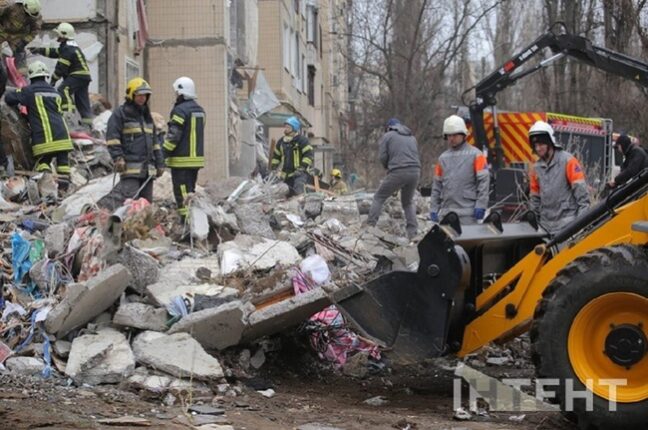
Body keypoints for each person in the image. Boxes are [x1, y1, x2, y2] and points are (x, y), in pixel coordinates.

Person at [97, 77, 164, 210]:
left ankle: (142, 230)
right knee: (130, 206)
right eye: (139, 95)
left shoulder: (147, 116)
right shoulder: (120, 114)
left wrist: (160, 163)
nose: (142, 98)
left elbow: (155, 142)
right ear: (131, 94)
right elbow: (113, 138)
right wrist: (118, 157)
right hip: (130, 170)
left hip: (147, 171)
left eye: (145, 95)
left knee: (146, 207)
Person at [5, 61, 73, 191]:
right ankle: (64, 190)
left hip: (45, 137)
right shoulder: (55, 92)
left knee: (43, 162)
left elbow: (9, 98)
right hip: (63, 136)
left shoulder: (30, 91)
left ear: (31, 76)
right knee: (63, 164)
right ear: (45, 75)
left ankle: (48, 188)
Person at [527, 120, 590, 234]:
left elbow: (583, 199)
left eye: (541, 144)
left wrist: (580, 225)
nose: (538, 148)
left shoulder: (568, 161)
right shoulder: (536, 168)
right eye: (535, 145)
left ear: (550, 142)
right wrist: (533, 224)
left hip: (568, 224)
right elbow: (534, 200)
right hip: (545, 226)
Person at [29, 22, 94, 127]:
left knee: (63, 90)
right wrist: (39, 50)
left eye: (58, 34)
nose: (57, 36)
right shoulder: (69, 46)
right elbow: (55, 52)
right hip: (84, 76)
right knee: (82, 99)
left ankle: (68, 118)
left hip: (76, 74)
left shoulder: (67, 49)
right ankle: (88, 124)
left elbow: (61, 67)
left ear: (64, 35)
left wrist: (53, 80)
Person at [367, 118, 421, 239]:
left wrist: (388, 167)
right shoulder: (412, 137)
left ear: (389, 127)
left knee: (379, 197)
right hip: (415, 171)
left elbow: (382, 156)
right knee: (407, 202)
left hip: (398, 171)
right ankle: (413, 233)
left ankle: (369, 228)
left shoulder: (388, 136)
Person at [430, 115, 489, 225]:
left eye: (455, 135)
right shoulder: (442, 158)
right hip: (446, 213)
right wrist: (434, 208)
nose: (451, 138)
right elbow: (437, 186)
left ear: (463, 134)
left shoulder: (477, 155)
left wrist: (481, 205)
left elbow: (483, 183)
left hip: (468, 214)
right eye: (449, 135)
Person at [162, 76, 205, 221]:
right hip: (196, 161)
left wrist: (163, 154)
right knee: (190, 191)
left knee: (182, 193)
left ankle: (187, 223)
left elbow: (173, 136)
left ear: (181, 93)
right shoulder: (200, 110)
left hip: (181, 161)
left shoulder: (180, 111)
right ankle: (194, 220)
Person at [270, 116, 313, 196]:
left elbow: (309, 156)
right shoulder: (281, 141)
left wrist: (302, 168)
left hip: (299, 174)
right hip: (285, 175)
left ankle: (300, 205)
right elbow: (276, 156)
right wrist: (274, 168)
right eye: (285, 127)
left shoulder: (302, 141)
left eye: (288, 127)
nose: (286, 129)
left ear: (294, 128)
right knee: (283, 193)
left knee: (299, 189)